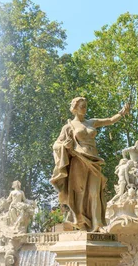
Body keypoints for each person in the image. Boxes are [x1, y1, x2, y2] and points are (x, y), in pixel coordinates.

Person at [51, 97, 130, 231]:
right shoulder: (68, 127)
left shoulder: (91, 122)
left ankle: (97, 223)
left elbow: (109, 120)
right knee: (80, 191)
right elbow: (56, 145)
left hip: (93, 160)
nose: (84, 109)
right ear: (74, 108)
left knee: (95, 192)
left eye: (85, 106)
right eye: (82, 106)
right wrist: (65, 145)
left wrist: (122, 113)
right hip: (78, 159)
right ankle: (81, 221)